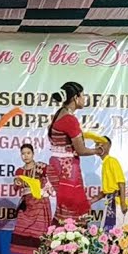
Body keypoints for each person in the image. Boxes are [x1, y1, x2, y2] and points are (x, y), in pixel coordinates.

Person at [47, 81, 102, 226]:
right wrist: (98, 151)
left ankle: (61, 238)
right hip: (67, 169)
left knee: (64, 210)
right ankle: (69, 239)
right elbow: (81, 150)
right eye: (83, 95)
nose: (84, 99)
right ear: (76, 98)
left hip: (57, 165)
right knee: (73, 213)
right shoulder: (70, 120)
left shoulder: (59, 114)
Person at [9, 143, 53, 254]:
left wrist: (48, 187)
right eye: (23, 154)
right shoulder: (19, 171)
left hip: (40, 203)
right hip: (27, 205)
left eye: (28, 153)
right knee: (23, 230)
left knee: (39, 233)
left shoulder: (41, 167)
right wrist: (17, 183)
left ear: (33, 154)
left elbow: (54, 176)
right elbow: (16, 187)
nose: (26, 156)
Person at [98, 137, 128, 231]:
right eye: (97, 144)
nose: (99, 146)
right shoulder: (105, 163)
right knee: (107, 233)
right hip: (110, 203)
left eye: (102, 143)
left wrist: (123, 203)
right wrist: (92, 200)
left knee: (119, 233)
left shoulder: (112, 161)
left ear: (108, 146)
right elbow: (106, 190)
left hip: (117, 204)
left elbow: (121, 183)